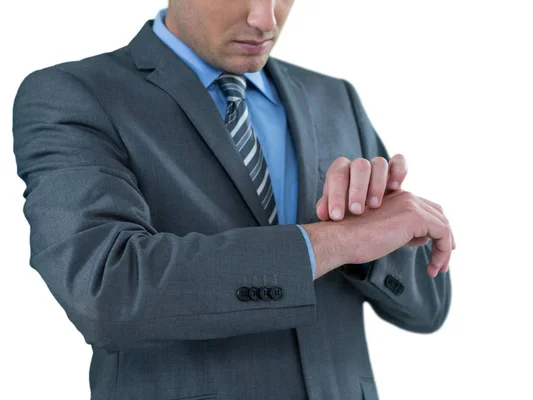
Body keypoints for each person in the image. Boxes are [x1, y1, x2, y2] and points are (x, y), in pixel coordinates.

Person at [11, 1, 455, 399]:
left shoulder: (334, 98)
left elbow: (428, 307)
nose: (266, 18)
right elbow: (106, 291)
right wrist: (336, 241)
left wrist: (370, 248)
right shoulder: (73, 95)